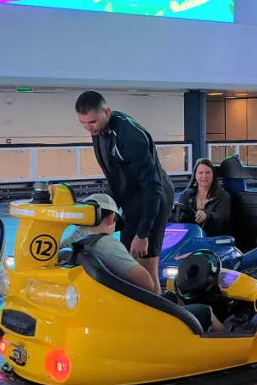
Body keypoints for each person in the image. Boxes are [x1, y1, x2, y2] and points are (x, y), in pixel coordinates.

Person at [62, 193, 221, 331]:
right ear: (111, 218)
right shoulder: (105, 243)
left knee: (171, 298)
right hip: (129, 315)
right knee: (204, 311)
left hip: (101, 311)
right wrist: (135, 261)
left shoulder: (67, 244)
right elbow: (147, 284)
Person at [76, 90, 174, 294]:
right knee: (130, 264)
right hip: (133, 199)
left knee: (146, 270)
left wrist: (143, 233)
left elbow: (152, 187)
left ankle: (158, 318)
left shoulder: (130, 137)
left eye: (92, 122)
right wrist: (109, 212)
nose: (88, 128)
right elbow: (114, 177)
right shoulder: (99, 131)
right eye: (83, 123)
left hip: (153, 200)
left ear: (107, 112)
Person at [176, 158, 231, 237]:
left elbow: (222, 218)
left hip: (214, 240)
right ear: (195, 175)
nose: (204, 176)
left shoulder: (223, 196)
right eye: (200, 173)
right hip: (190, 238)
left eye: (208, 172)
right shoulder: (185, 195)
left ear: (213, 175)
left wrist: (206, 214)